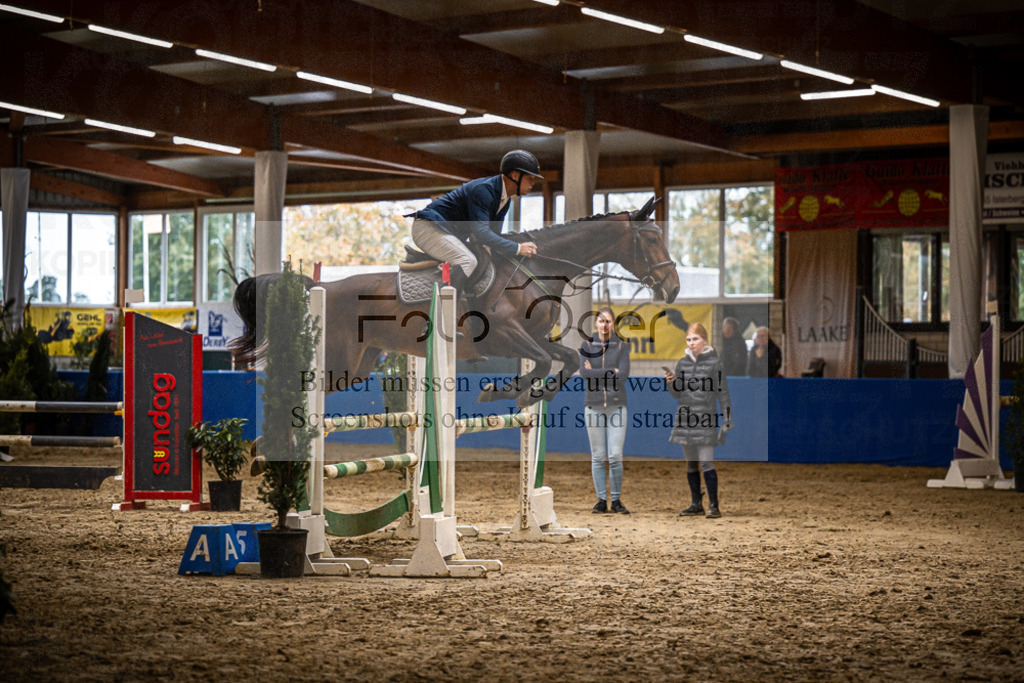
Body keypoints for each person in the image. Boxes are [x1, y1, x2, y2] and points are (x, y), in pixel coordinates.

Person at [409, 149, 542, 293]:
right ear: (515, 175)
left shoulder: (504, 201)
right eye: (530, 178)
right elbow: (482, 235)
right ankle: (445, 312)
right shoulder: (484, 190)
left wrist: (515, 247)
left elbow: (492, 238)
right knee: (467, 261)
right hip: (428, 227)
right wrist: (517, 248)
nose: (533, 183)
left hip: (445, 231)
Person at [664, 323, 732, 519]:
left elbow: (723, 393)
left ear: (704, 340)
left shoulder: (715, 364)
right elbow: (677, 394)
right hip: (685, 418)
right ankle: (696, 504)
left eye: (695, 339)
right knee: (691, 464)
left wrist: (727, 419)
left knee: (706, 462)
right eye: (688, 339)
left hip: (705, 418)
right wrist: (671, 384)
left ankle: (714, 505)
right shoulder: (682, 364)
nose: (691, 343)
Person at [579, 307, 631, 514]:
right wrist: (611, 371)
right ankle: (601, 500)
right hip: (593, 406)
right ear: (596, 324)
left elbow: (623, 375)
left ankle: (616, 500)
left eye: (608, 321)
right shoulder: (586, 345)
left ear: (613, 324)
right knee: (598, 456)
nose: (604, 325)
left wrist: (597, 373)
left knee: (616, 455)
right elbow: (584, 373)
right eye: (601, 321)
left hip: (617, 406)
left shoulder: (621, 347)